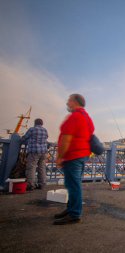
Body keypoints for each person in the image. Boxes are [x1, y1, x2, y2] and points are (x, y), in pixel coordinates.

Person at [54, 94, 94, 225]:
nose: (67, 103)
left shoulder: (75, 116)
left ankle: (74, 214)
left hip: (73, 156)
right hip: (83, 155)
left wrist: (60, 156)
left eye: (69, 101)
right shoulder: (87, 118)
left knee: (73, 185)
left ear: (74, 102)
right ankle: (71, 208)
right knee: (73, 184)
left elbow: (66, 139)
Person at [21, 118, 49, 191]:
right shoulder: (45, 130)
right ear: (42, 123)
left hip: (34, 151)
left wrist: (20, 139)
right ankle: (42, 184)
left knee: (31, 168)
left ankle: (30, 185)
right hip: (44, 152)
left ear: (35, 123)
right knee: (42, 168)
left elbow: (24, 138)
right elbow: (46, 138)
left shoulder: (32, 129)